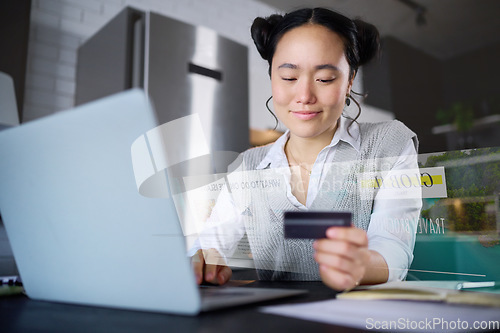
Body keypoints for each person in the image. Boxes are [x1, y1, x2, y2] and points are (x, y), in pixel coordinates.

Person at [191, 7, 422, 291]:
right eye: (289, 78)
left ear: (349, 80)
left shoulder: (389, 143)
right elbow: (212, 246)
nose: (304, 96)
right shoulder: (247, 166)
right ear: (272, 78)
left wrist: (361, 264)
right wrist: (203, 261)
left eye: (324, 79)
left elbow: (393, 245)